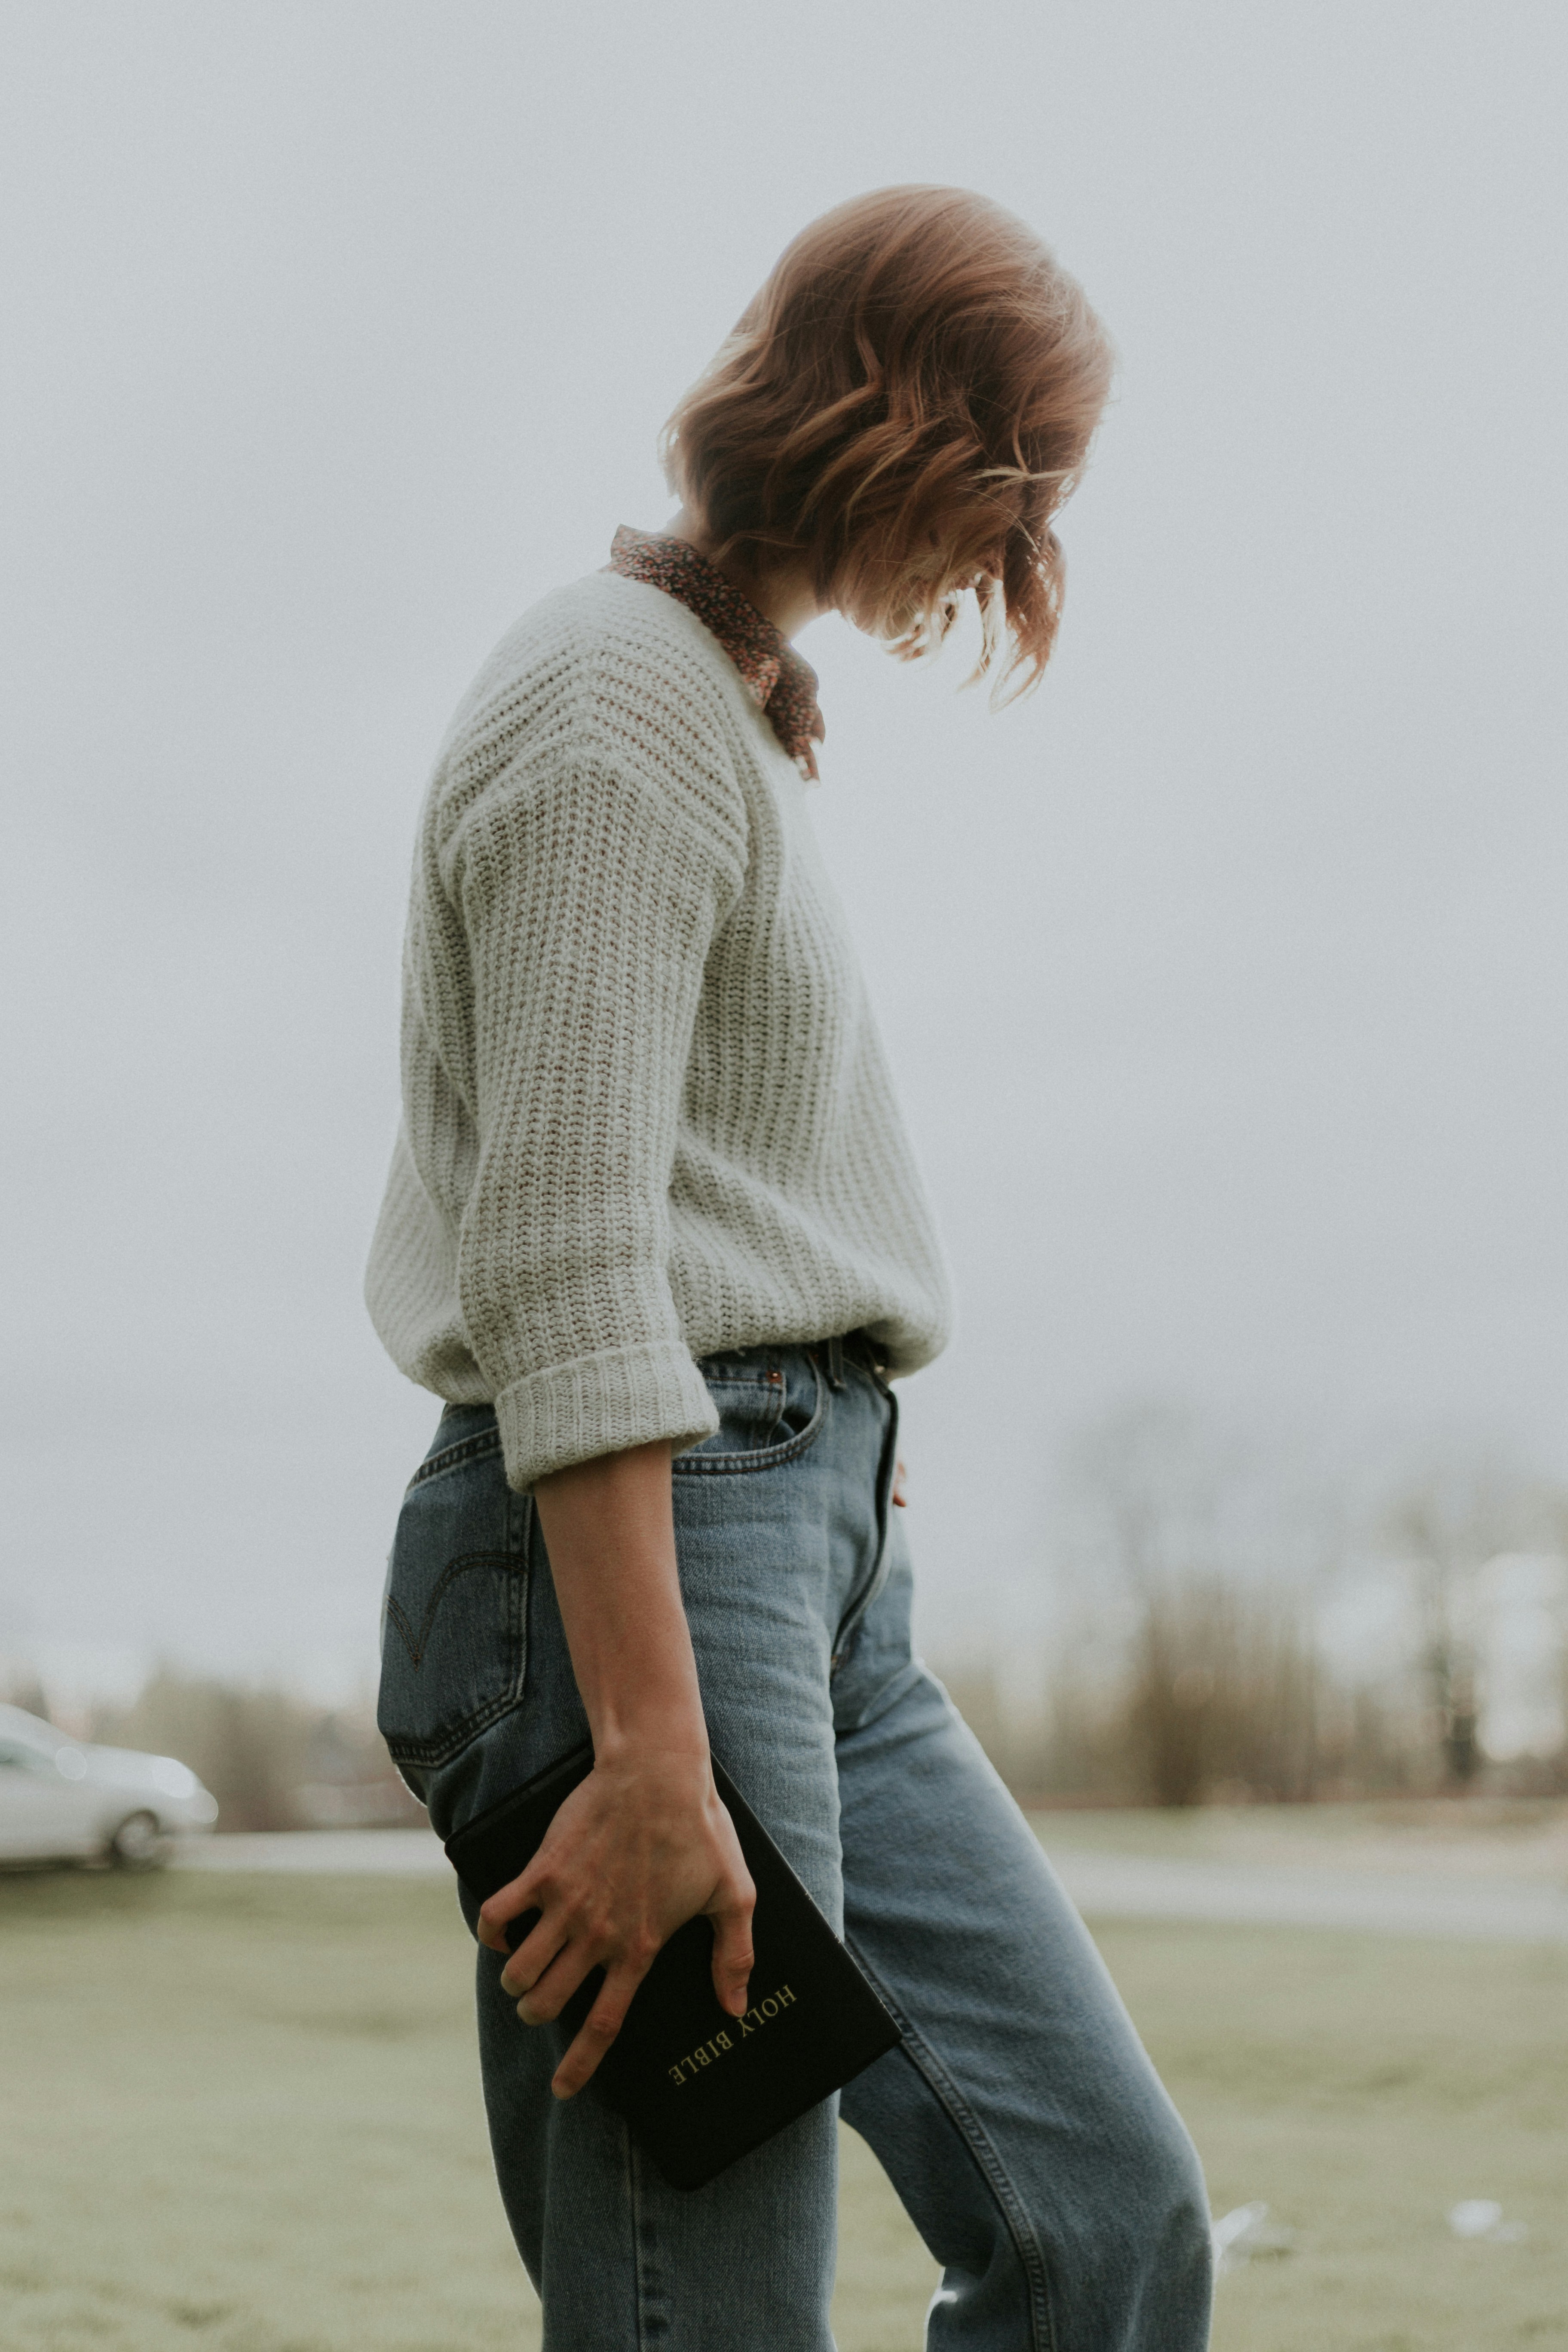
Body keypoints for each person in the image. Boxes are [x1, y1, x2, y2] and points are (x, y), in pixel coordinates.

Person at [367, 183, 1213, 2350]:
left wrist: (834, 1417)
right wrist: (653, 1746)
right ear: (907, 427)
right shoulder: (613, 703)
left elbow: (718, 1195)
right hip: (646, 1582)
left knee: (1101, 2229)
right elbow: (566, 1247)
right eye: (1025, 492)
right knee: (711, 2317)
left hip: (799, 1559)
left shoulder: (708, 701)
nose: (1019, 562)